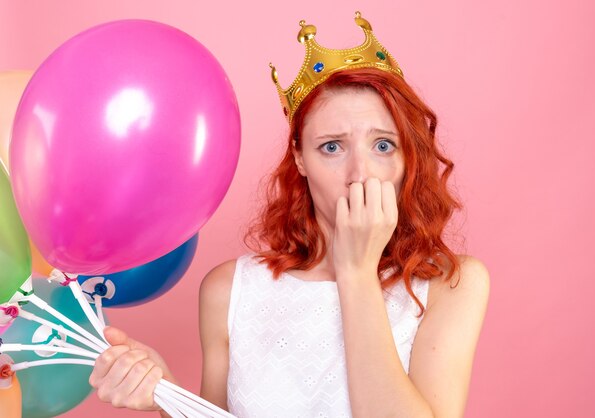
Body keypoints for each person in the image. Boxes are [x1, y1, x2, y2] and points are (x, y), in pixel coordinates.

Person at [89, 12, 489, 418]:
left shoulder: (451, 284)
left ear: (408, 158)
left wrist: (356, 272)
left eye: (383, 146)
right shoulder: (230, 289)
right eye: (332, 147)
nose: (360, 174)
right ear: (299, 158)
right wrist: (166, 394)